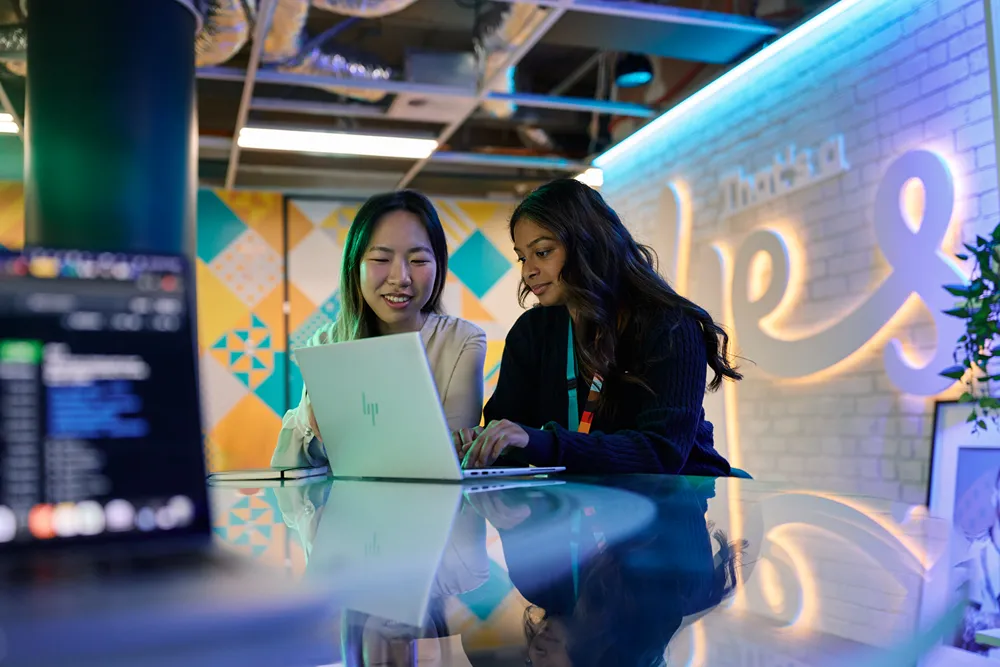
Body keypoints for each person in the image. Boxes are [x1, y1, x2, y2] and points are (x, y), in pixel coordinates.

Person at [456, 178, 741, 475]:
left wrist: (544, 443)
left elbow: (661, 454)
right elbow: (508, 438)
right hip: (583, 504)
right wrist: (478, 446)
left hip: (676, 501)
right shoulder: (532, 331)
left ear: (588, 243)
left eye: (542, 252)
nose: (528, 271)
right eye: (522, 257)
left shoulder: (671, 326)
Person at [272, 190, 487, 468]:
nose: (401, 278)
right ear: (355, 266)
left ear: (439, 266)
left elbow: (451, 455)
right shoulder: (328, 342)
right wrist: (311, 422)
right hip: (345, 508)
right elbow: (295, 463)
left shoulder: (462, 341)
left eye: (418, 260)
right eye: (381, 260)